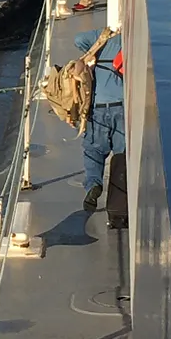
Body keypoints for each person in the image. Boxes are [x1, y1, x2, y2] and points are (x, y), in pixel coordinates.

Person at [74, 27, 127, 229]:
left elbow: (79, 38)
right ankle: (118, 207)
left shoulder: (101, 39)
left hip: (97, 108)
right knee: (121, 157)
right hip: (121, 107)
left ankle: (94, 184)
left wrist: (101, 36)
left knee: (94, 151)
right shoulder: (129, 40)